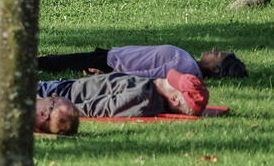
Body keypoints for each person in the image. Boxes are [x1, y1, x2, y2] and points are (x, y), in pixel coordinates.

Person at [37, 69, 209, 117]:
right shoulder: (150, 90)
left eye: (173, 83)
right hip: (65, 88)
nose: (167, 78)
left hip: (59, 95)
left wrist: (53, 107)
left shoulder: (142, 97)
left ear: (175, 99)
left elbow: (96, 108)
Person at [38, 45, 247, 79]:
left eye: (217, 54)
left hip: (110, 64)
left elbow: (151, 76)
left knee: (51, 63)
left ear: (216, 68)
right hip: (111, 57)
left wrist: (111, 77)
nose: (213, 50)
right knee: (52, 62)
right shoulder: (190, 63)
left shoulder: (187, 67)